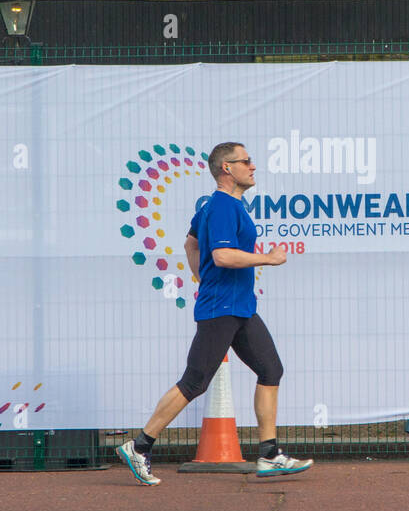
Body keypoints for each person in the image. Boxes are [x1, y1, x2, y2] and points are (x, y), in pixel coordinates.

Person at [116, 142, 313, 485]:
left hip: (240, 308)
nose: (253, 167)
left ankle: (269, 456)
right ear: (227, 169)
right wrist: (268, 258)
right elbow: (222, 256)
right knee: (195, 381)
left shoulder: (218, 205)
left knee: (270, 368)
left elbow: (191, 243)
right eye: (246, 161)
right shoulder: (222, 206)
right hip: (220, 308)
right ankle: (140, 445)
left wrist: (200, 275)